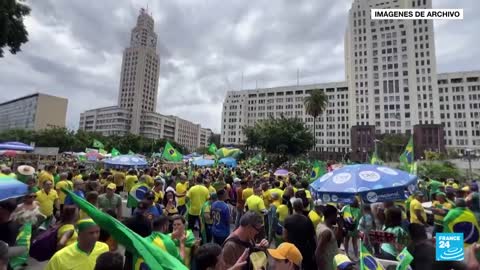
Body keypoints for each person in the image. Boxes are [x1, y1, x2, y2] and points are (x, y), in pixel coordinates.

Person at [315, 205, 339, 270]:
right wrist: (321, 267)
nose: (336, 218)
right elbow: (318, 252)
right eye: (336, 215)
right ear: (331, 216)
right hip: (328, 266)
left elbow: (332, 241)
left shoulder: (320, 225)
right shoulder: (326, 232)